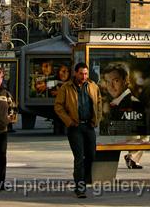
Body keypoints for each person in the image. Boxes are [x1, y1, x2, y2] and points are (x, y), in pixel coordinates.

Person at [54, 62, 102, 198]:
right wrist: (69, 122)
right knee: (79, 157)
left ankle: (81, 177)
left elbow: (99, 102)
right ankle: (80, 188)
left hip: (89, 125)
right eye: (81, 73)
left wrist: (97, 119)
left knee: (91, 156)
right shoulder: (66, 88)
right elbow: (58, 106)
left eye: (86, 73)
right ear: (75, 73)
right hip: (75, 127)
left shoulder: (93, 86)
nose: (84, 76)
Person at [100, 63, 145, 137]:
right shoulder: (110, 103)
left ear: (125, 80)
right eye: (108, 82)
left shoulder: (134, 103)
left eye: (116, 81)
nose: (111, 86)